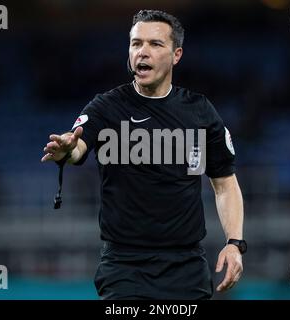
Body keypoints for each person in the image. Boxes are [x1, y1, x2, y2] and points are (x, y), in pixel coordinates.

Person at [41, 9, 246, 300]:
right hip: (124, 268)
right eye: (136, 44)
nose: (143, 52)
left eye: (155, 44)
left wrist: (234, 243)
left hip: (186, 267)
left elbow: (225, 184)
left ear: (176, 55)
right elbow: (78, 147)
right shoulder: (106, 108)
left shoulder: (200, 112)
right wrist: (68, 149)